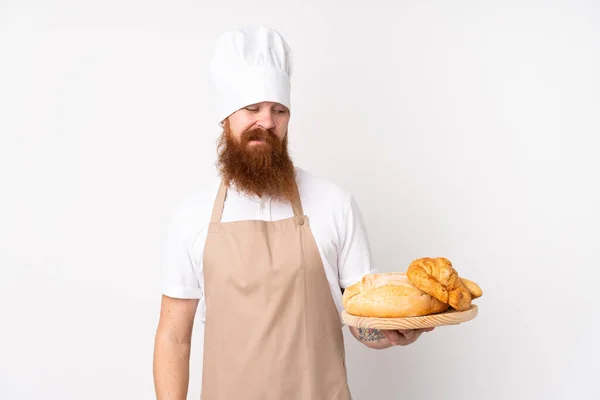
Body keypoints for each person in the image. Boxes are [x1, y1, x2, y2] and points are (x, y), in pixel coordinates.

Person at [152, 25, 433, 400]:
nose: (266, 122)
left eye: (279, 111)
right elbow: (174, 336)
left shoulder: (334, 203)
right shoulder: (191, 216)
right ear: (225, 119)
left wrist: (390, 332)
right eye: (252, 108)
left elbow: (361, 320)